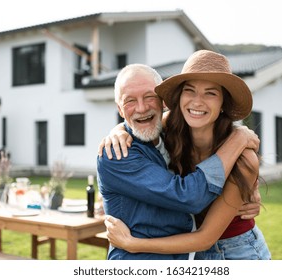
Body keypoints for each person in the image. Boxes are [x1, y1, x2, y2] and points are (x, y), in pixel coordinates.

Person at [103, 50, 271, 260]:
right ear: (179, 97)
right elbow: (141, 119)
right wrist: (116, 131)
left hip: (237, 251)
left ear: (222, 104)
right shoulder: (171, 128)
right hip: (189, 252)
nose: (197, 102)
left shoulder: (243, 159)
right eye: (190, 91)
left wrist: (133, 244)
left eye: (210, 93)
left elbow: (205, 238)